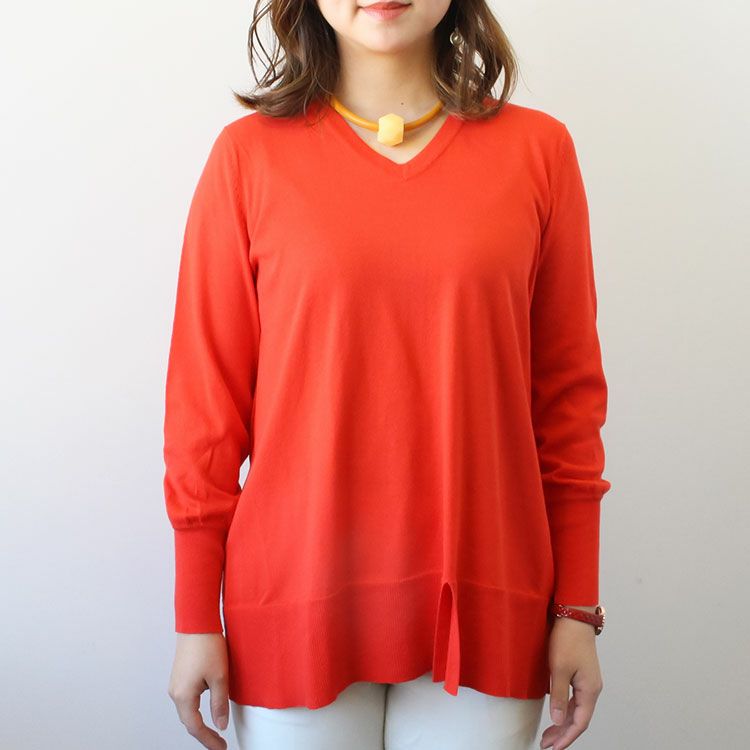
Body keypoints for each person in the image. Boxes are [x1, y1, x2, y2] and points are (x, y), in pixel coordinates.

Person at [162, 1, 612, 749]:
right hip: (293, 594)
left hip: (489, 592)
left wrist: (577, 607)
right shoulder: (247, 158)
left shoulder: (540, 151)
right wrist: (194, 616)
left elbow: (567, 401)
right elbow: (205, 408)